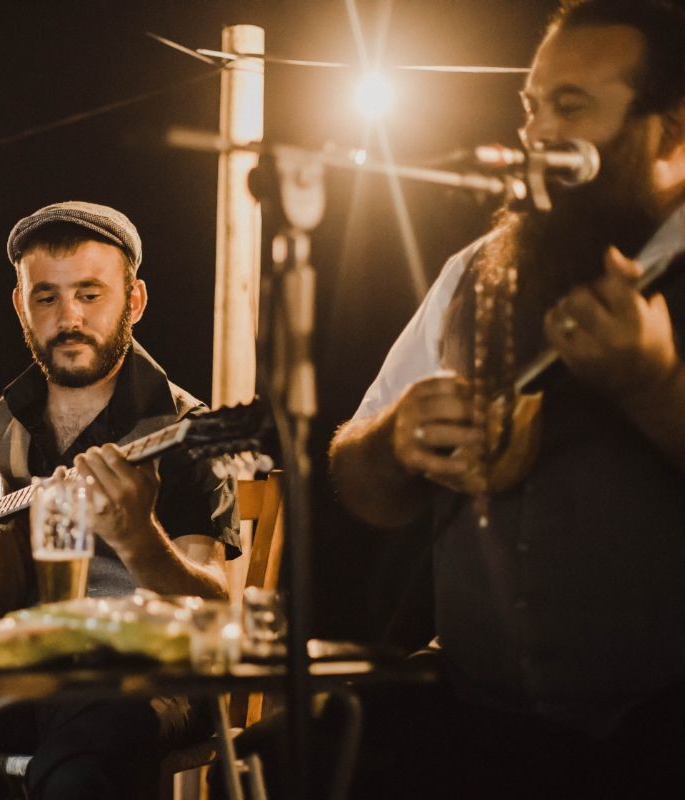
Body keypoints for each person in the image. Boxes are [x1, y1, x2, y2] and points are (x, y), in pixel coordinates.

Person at [326, 0, 685, 794]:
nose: (536, 134)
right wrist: (396, 441)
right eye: (532, 106)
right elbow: (354, 476)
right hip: (477, 726)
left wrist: (656, 385)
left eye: (571, 107)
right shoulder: (472, 273)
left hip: (658, 740)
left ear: (671, 130)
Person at [0, 201, 240, 799]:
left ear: (134, 301)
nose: (68, 318)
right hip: (16, 669)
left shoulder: (184, 431)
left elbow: (212, 612)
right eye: (46, 297)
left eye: (89, 294)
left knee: (86, 747)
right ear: (19, 306)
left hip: (132, 681)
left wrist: (138, 538)